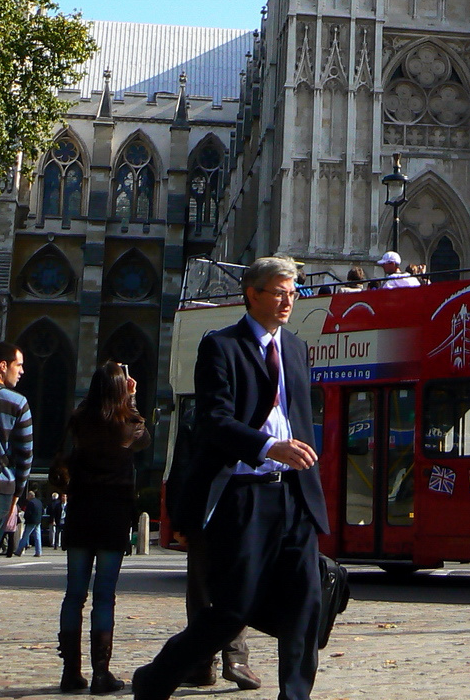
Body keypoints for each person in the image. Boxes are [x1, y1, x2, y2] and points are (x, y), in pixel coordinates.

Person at [132, 255, 327, 700]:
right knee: (232, 609)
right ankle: (156, 678)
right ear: (252, 293)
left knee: (305, 604)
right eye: (279, 291)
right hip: (244, 496)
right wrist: (266, 447)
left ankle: (294, 695)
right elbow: (214, 422)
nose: (287, 300)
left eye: (292, 292)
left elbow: (298, 419)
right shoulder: (221, 346)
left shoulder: (295, 348)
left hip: (293, 496)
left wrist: (302, 465)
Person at [56, 361, 151, 693]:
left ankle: (70, 672)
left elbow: (81, 414)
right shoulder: (129, 425)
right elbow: (144, 440)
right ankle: (100, 674)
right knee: (104, 597)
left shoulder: (80, 420)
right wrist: (132, 397)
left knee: (73, 595)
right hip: (113, 517)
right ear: (121, 389)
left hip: (81, 514)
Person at [163, 409, 259, 691]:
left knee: (202, 591)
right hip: (238, 509)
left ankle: (204, 663)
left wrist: (179, 518)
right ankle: (235, 659)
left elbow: (182, 468)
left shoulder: (197, 415)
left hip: (208, 511)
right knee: (237, 586)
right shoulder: (250, 410)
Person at [0, 342, 33, 641]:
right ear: (3, 366)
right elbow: (24, 455)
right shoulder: (17, 403)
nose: (22, 371)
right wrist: (17, 494)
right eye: (19, 365)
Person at [15, 485, 42, 556]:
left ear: (30, 496)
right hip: (38, 521)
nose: (27, 497)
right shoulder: (39, 502)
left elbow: (28, 513)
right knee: (37, 537)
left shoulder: (30, 503)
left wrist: (25, 518)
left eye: (28, 495)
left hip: (31, 522)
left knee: (25, 536)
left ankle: (19, 551)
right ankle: (38, 552)